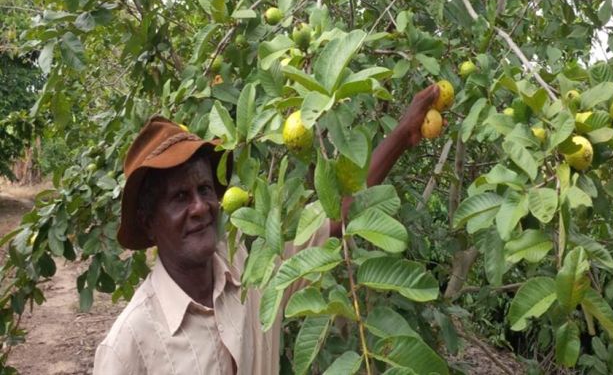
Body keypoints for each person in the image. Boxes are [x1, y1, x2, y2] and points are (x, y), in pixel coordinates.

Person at [93, 84, 439, 374]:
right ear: (148, 223)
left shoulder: (252, 272)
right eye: (180, 197)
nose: (199, 207)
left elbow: (336, 214)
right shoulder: (129, 344)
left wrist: (404, 133)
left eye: (205, 190)